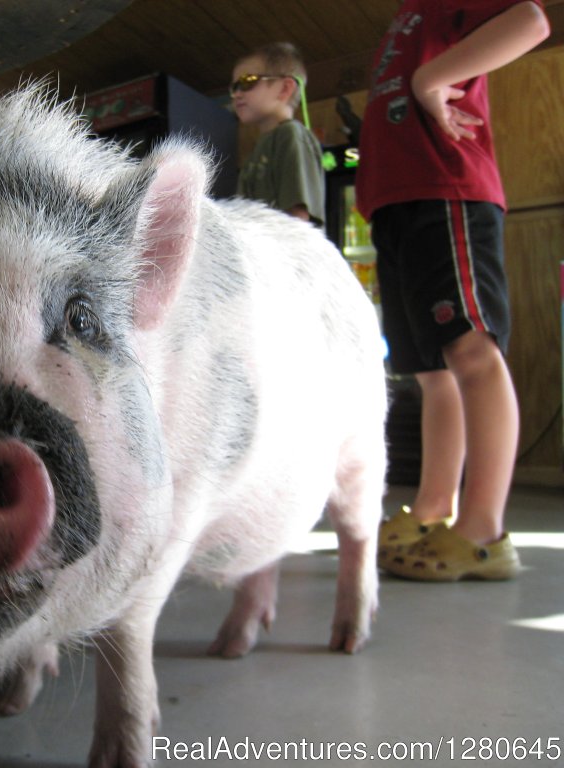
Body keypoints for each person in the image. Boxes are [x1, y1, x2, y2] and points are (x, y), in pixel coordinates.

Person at [356, 0, 550, 580]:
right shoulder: (407, 14)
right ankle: (435, 508)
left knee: (470, 351)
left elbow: (532, 20)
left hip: (446, 189)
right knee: (431, 370)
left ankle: (484, 530)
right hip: (397, 205)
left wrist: (430, 79)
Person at [231, 42, 325, 226]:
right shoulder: (258, 151)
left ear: (285, 88)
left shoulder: (290, 135)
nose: (237, 94)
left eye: (247, 82)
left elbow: (298, 221)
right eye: (234, 87)